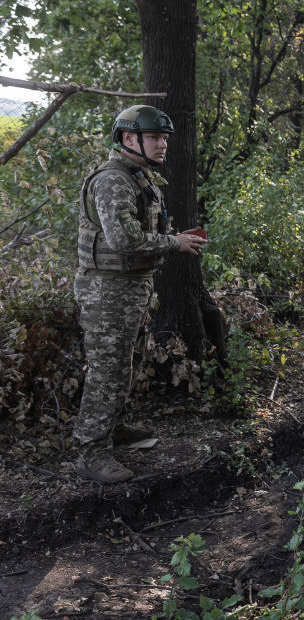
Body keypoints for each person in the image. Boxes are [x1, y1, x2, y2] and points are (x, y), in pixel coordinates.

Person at [74, 105, 208, 483]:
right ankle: (91, 453)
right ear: (129, 139)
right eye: (155, 137)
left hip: (128, 287)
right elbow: (123, 239)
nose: (163, 144)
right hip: (107, 290)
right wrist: (173, 242)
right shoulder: (114, 179)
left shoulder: (137, 176)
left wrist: (173, 236)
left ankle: (111, 431)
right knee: (107, 371)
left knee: (124, 365)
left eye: (164, 137)